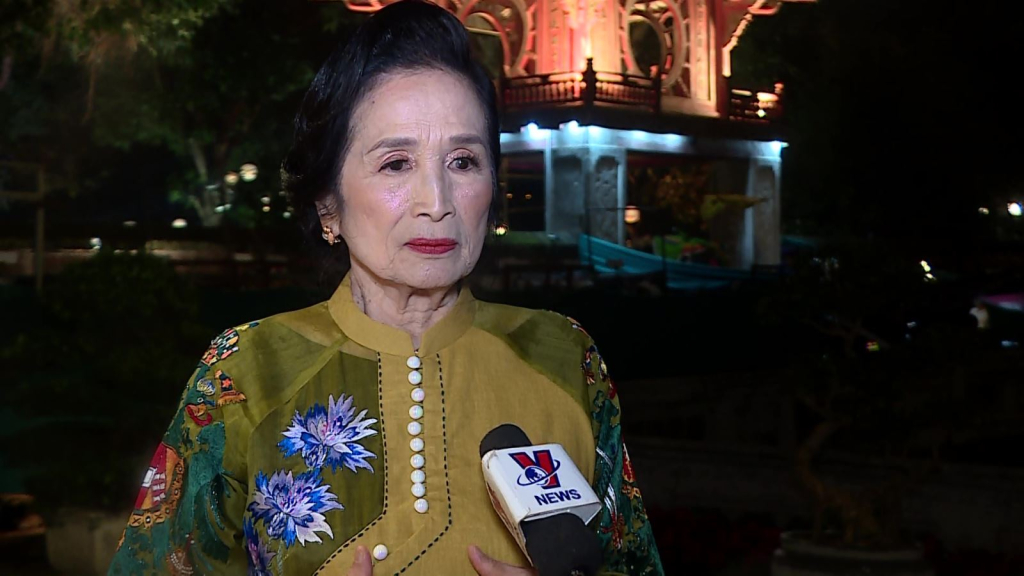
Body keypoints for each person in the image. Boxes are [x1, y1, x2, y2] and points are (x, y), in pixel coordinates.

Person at [108, 2, 663, 574]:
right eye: (396, 163)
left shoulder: (565, 357)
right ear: (329, 203)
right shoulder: (245, 372)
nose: (437, 202)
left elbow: (633, 562)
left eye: (464, 161)